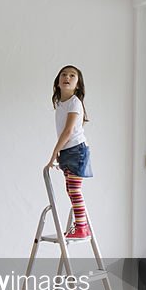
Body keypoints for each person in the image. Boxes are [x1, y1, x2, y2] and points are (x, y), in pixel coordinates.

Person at [45, 65, 93, 239]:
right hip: (69, 150)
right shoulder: (60, 103)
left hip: (76, 151)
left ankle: (81, 226)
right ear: (58, 82)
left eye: (72, 76)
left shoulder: (74, 102)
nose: (67, 77)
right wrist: (60, 150)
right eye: (64, 75)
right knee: (70, 188)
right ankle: (81, 225)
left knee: (74, 189)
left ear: (78, 84)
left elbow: (68, 131)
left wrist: (54, 153)